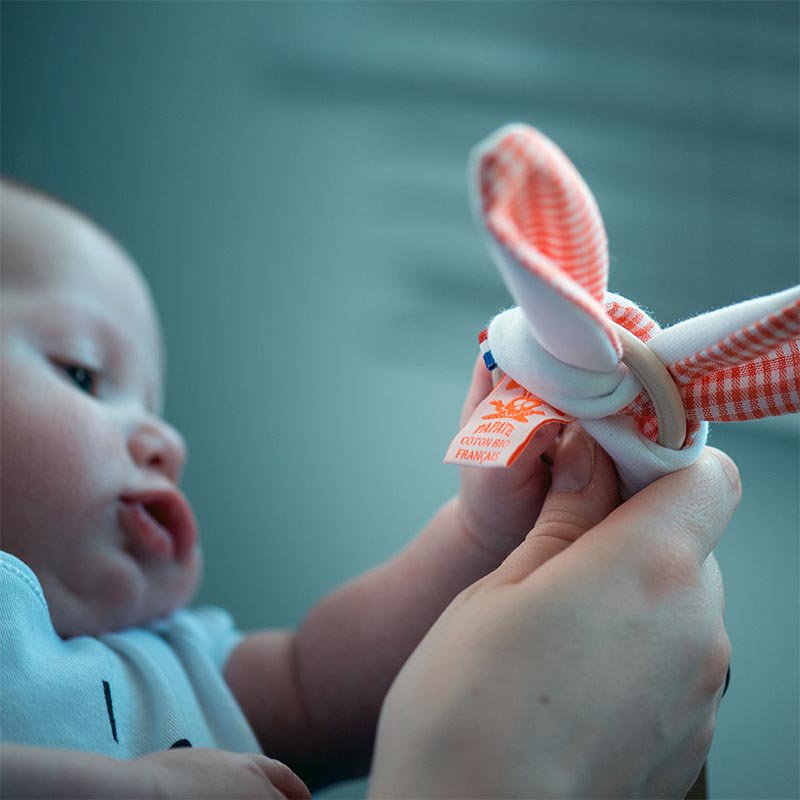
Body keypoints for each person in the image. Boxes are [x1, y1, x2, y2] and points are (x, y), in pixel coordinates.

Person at [0, 180, 737, 799]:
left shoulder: (162, 654)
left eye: (154, 408)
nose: (167, 442)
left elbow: (316, 686)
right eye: (82, 373)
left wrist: (481, 534)